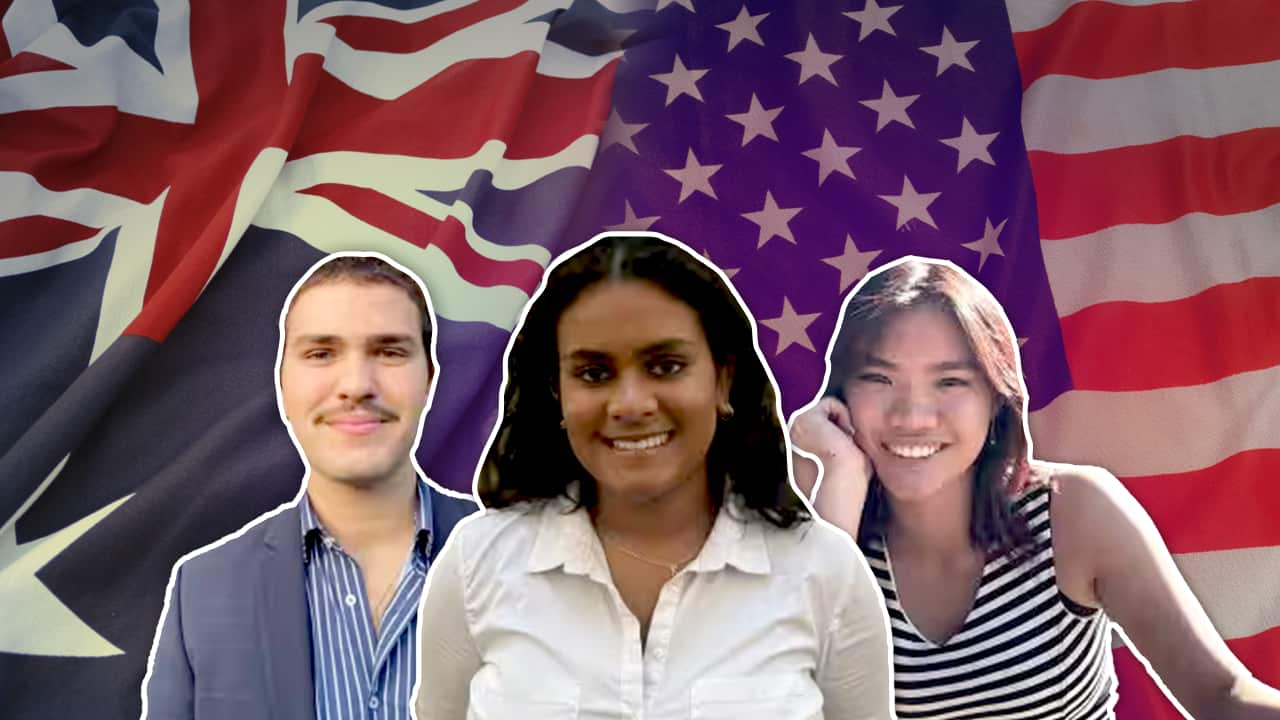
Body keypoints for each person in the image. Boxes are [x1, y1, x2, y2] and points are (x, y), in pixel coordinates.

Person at [414, 233, 895, 720]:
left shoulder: (824, 572)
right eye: (594, 374)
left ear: (723, 380)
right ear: (556, 393)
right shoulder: (477, 564)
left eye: (666, 366)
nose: (631, 405)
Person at [790, 256, 1280, 720]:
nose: (913, 417)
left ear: (996, 399)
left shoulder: (1073, 510)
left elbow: (1221, 695)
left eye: (950, 382)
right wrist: (839, 471)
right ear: (841, 395)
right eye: (879, 378)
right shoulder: (829, 514)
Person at [142, 254, 477, 720]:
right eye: (321, 353)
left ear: (429, 380)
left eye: (389, 351)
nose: (357, 385)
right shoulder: (202, 590)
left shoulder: (532, 558)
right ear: (283, 384)